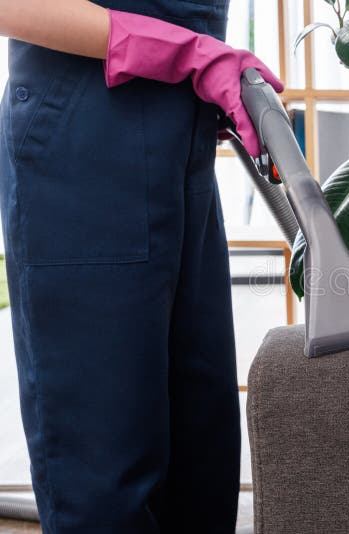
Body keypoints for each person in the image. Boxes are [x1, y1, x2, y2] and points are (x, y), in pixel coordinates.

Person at [0, 1, 282, 532]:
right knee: (106, 474)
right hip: (83, 144)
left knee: (202, 460)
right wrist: (189, 53)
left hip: (182, 143)